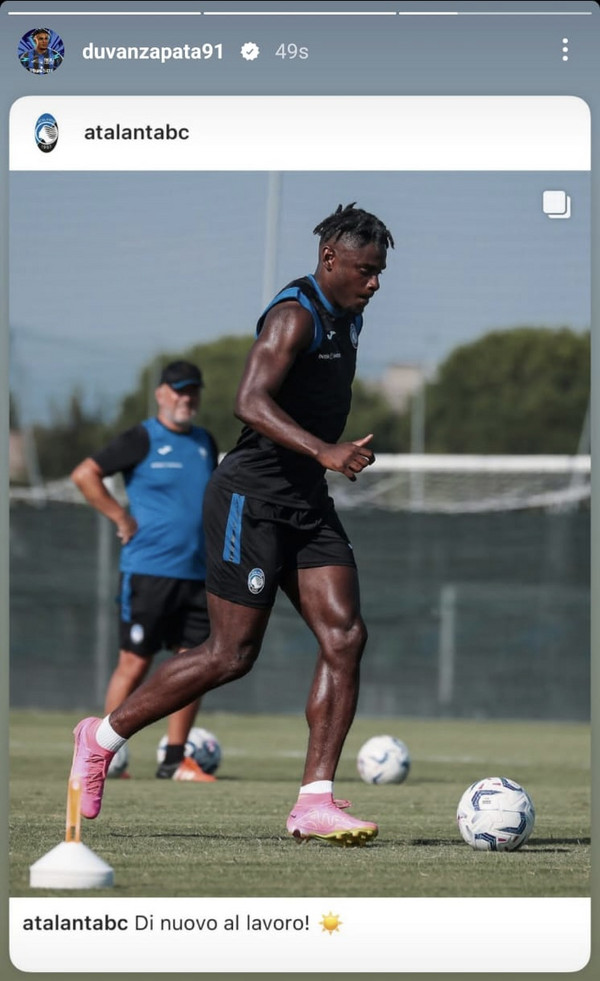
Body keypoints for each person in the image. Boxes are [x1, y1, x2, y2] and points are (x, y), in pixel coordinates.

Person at [71, 203, 394, 845]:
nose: (375, 283)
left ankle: (314, 802)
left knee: (345, 636)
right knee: (230, 655)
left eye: (381, 272)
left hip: (306, 500)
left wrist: (324, 460)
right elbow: (248, 400)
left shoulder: (350, 315)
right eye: (364, 270)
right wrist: (325, 450)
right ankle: (100, 737)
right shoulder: (294, 314)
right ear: (329, 259)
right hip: (250, 496)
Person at [70, 360, 218, 782]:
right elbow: (85, 474)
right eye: (178, 390)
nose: (185, 398)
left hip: (198, 573)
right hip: (150, 570)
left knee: (195, 666)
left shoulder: (206, 441)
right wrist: (120, 516)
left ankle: (174, 759)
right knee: (134, 664)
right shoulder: (142, 438)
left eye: (192, 391)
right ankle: (107, 757)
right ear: (161, 394)